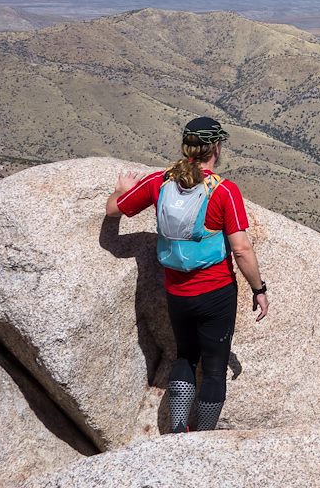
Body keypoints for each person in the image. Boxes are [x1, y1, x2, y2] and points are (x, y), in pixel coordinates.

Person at [105, 116, 268, 433]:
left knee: (185, 357)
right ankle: (201, 436)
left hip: (177, 292)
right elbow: (242, 250)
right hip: (216, 293)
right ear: (216, 148)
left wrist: (120, 190)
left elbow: (114, 209)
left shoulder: (159, 183)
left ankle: (179, 430)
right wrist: (259, 288)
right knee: (215, 368)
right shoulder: (224, 191)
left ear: (186, 146)